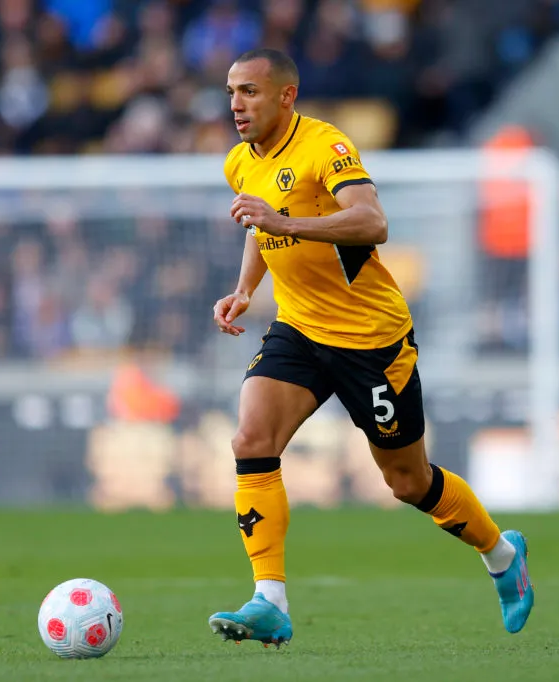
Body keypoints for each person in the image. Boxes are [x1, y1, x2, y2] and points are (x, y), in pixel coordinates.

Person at [208, 48, 534, 648]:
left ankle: (501, 553)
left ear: (286, 96)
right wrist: (245, 289)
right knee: (251, 440)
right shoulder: (239, 161)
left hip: (371, 341)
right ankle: (269, 600)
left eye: (250, 91)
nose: (235, 105)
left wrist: (287, 222)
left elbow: (371, 222)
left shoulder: (326, 147)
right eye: (231, 91)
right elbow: (260, 225)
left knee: (409, 483)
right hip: (300, 330)